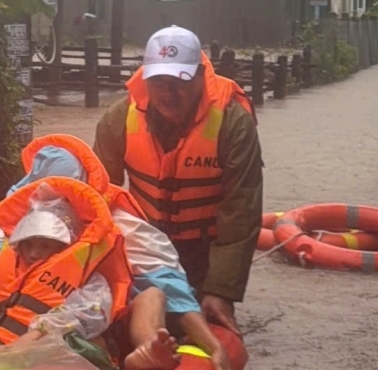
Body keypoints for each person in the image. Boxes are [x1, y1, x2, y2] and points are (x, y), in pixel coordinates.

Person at [0, 134, 233, 370]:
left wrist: (213, 345)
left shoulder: (121, 224)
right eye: (42, 196)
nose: (48, 207)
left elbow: (170, 286)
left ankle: (147, 350)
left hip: (92, 320)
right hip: (19, 321)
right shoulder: (24, 219)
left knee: (152, 295)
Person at [0, 177, 182, 370]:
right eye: (28, 243)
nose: (34, 253)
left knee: (74, 344)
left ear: (66, 246)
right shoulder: (3, 271)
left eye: (45, 245)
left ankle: (138, 361)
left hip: (49, 345)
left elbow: (80, 317)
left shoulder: (90, 280)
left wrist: (32, 338)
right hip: (3, 342)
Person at [93, 25, 263, 339]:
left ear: (200, 77)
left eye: (180, 82)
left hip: (203, 252)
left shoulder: (233, 123)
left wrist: (221, 290)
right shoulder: (118, 119)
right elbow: (98, 200)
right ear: (145, 78)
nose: (168, 94)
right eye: (159, 82)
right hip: (144, 244)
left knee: (192, 323)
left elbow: (241, 212)